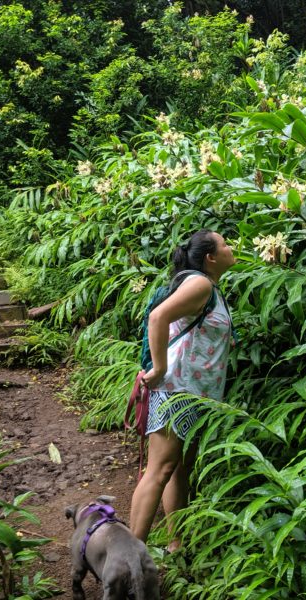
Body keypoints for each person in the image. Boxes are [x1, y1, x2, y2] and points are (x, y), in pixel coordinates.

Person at [128, 229, 236, 553]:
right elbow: (158, 316)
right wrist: (159, 368)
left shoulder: (207, 287)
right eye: (225, 244)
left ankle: (176, 546)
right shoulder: (201, 284)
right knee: (159, 470)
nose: (232, 247)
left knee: (178, 470)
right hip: (179, 390)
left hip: (194, 394)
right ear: (210, 257)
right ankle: (130, 559)